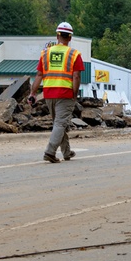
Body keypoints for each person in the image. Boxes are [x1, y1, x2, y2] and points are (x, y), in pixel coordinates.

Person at [30, 21, 85, 163]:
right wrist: (75, 93)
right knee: (60, 123)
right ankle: (50, 151)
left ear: (57, 36)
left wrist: (33, 93)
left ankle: (66, 152)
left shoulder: (45, 53)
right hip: (65, 93)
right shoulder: (74, 54)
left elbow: (39, 75)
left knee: (59, 123)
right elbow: (76, 76)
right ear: (70, 38)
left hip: (49, 93)